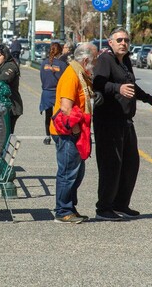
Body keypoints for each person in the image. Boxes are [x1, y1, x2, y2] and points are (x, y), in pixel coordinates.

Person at [92, 27, 152, 221]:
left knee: (131, 164)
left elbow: (132, 87)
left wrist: (151, 100)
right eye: (119, 40)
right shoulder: (104, 60)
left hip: (125, 121)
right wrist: (117, 88)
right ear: (110, 42)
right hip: (108, 121)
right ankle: (103, 208)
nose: (123, 43)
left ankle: (120, 204)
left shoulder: (124, 61)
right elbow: (96, 84)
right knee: (111, 165)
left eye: (126, 40)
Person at [49, 43, 98, 224]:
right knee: (68, 172)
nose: (96, 63)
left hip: (76, 132)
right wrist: (77, 132)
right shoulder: (71, 75)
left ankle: (69, 207)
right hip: (68, 132)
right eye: (95, 59)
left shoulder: (80, 74)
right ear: (86, 60)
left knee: (76, 172)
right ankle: (62, 211)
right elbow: (66, 108)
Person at [39, 42, 67, 145]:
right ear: (59, 52)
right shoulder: (63, 65)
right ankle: (58, 134)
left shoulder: (43, 63)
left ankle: (47, 136)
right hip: (57, 93)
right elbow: (65, 80)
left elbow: (42, 77)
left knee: (48, 115)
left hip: (46, 92)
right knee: (59, 115)